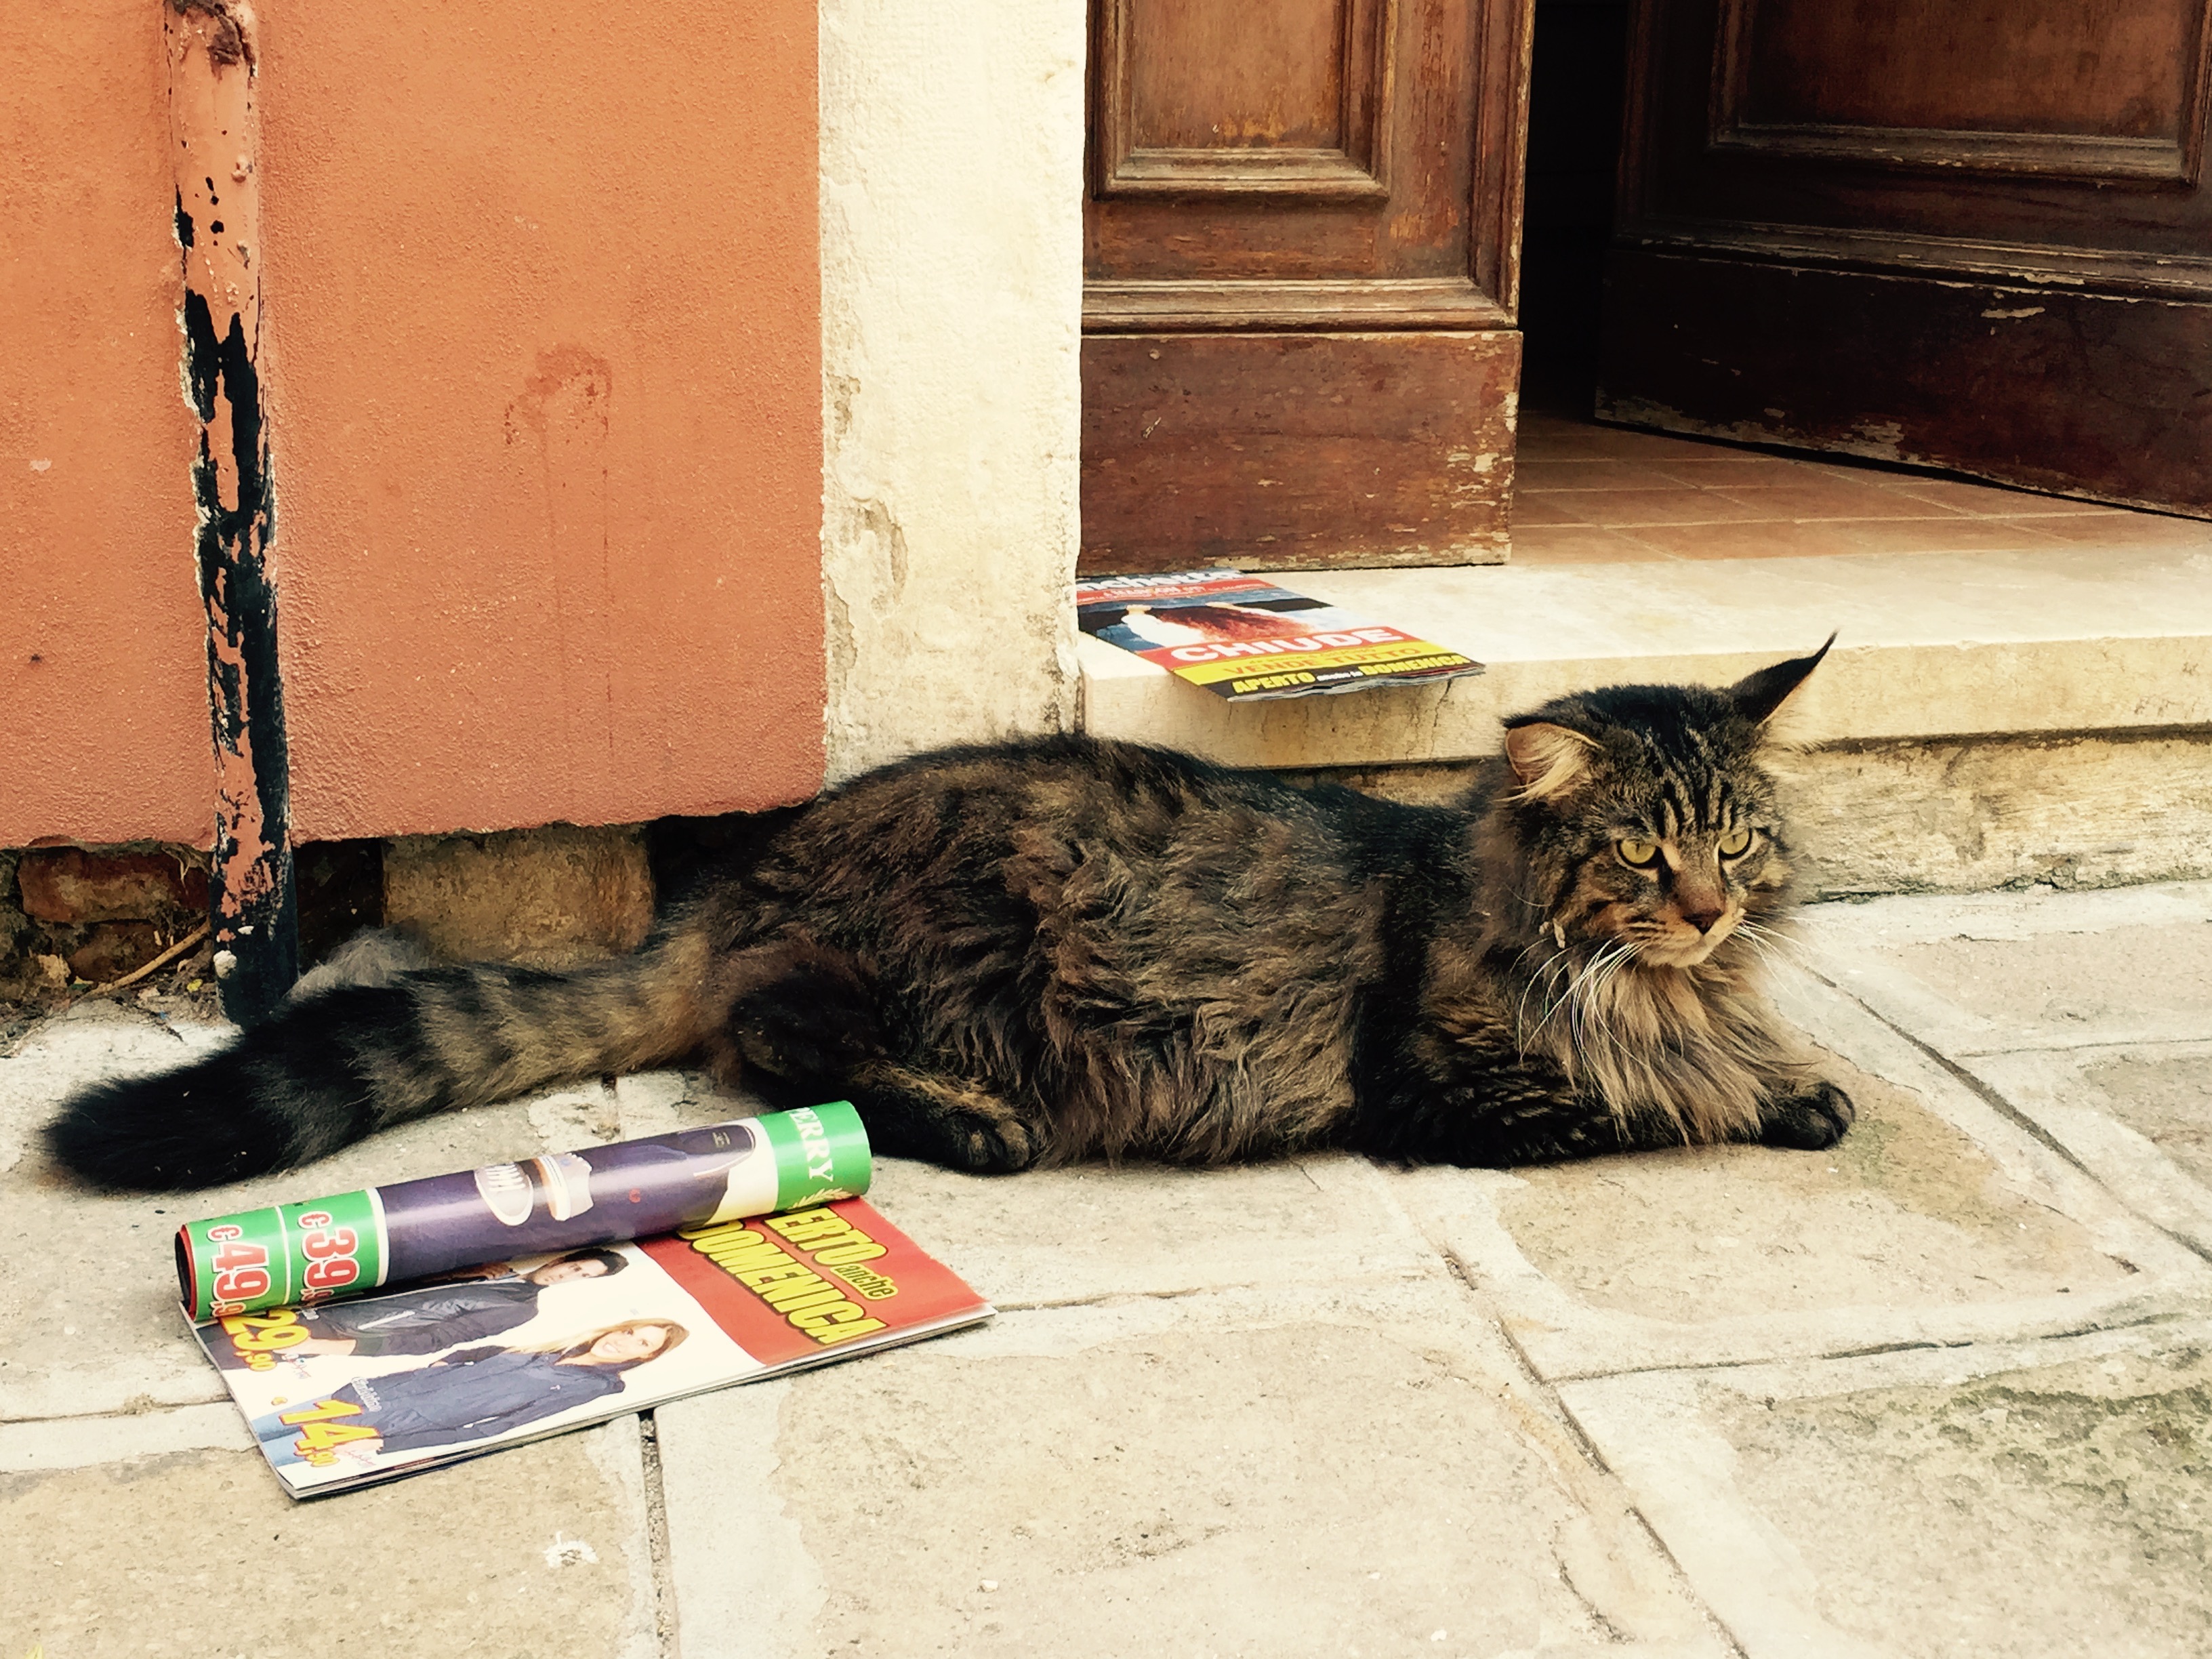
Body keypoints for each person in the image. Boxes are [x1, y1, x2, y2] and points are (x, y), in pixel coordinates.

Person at [251, 1319, 689, 1462]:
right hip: (376, 1391)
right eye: (631, 1330)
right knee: (260, 1430)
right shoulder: (549, 1347)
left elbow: (496, 1428)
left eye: (643, 1343)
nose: (626, 1341)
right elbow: (480, 1350)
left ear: (649, 1357)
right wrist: (444, 1362)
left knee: (274, 1458)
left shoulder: (595, 1388)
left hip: (396, 1423)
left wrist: (390, 1440)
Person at [275, 1248, 628, 1361]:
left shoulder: (520, 1309)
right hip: (325, 1292)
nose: (570, 1276)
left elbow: (433, 1340)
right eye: (575, 1267)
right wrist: (459, 1273)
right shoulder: (499, 1263)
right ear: (563, 1259)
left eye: (583, 1277)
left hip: (332, 1329)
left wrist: (319, 1345)